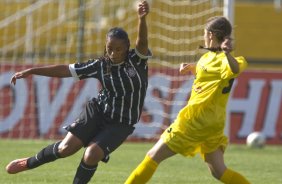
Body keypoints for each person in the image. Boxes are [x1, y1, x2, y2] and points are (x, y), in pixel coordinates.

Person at [6, 1, 150, 183]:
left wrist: (141, 18)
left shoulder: (137, 61)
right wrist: (33, 70)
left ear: (127, 47)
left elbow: (143, 41)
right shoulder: (100, 65)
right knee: (65, 149)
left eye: (118, 49)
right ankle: (29, 162)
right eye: (110, 48)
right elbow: (65, 70)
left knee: (92, 154)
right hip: (98, 111)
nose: (113, 53)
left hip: (121, 122)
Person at [125, 16, 250, 184]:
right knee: (219, 171)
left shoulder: (225, 59)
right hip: (214, 124)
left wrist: (227, 54)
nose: (203, 36)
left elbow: (234, 69)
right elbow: (207, 74)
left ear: (211, 35)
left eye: (205, 33)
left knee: (152, 156)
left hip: (195, 121)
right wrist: (192, 68)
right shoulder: (208, 57)